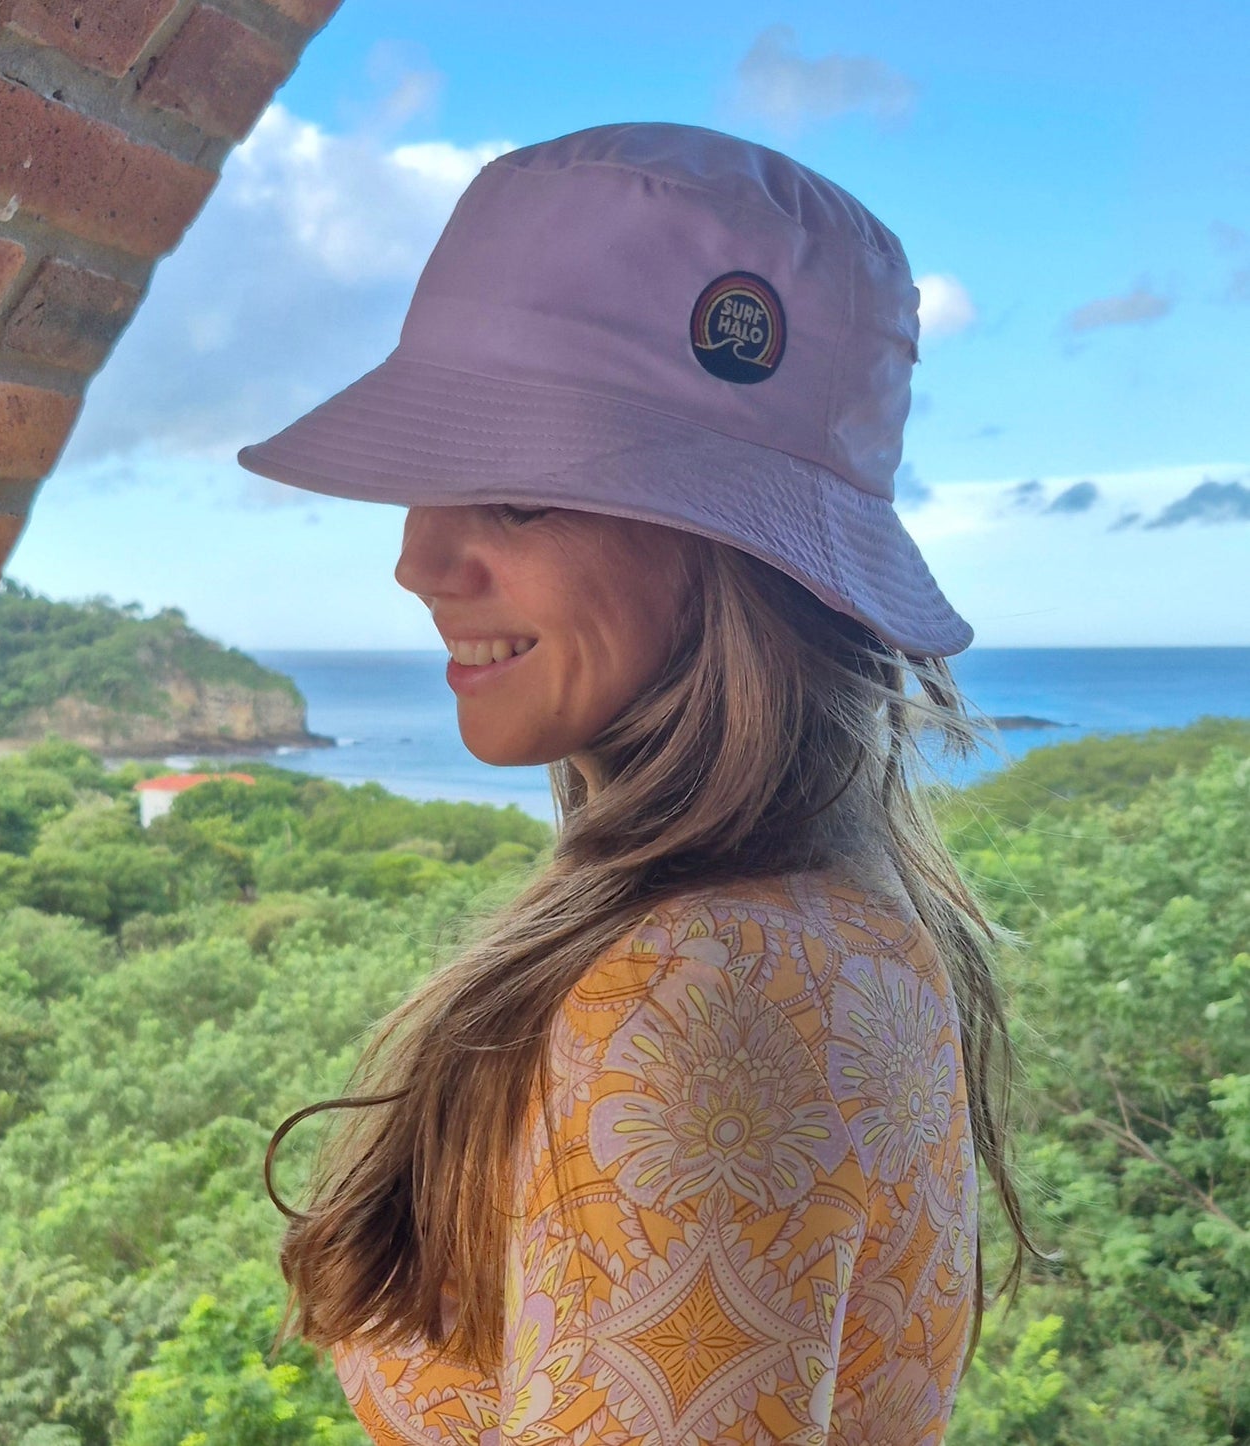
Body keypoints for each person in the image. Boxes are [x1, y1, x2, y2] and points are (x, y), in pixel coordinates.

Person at [238, 122, 1034, 1446]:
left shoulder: (691, 991)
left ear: (732, 552)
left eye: (512, 494)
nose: (419, 561)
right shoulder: (829, 929)